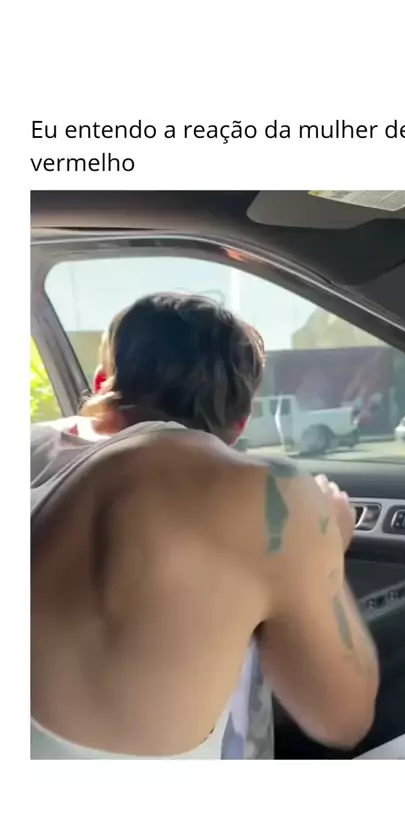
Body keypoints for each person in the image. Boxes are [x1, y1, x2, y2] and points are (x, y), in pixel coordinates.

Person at [31, 292, 379, 759]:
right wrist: (328, 543)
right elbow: (343, 720)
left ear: (101, 383)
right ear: (242, 420)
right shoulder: (267, 496)